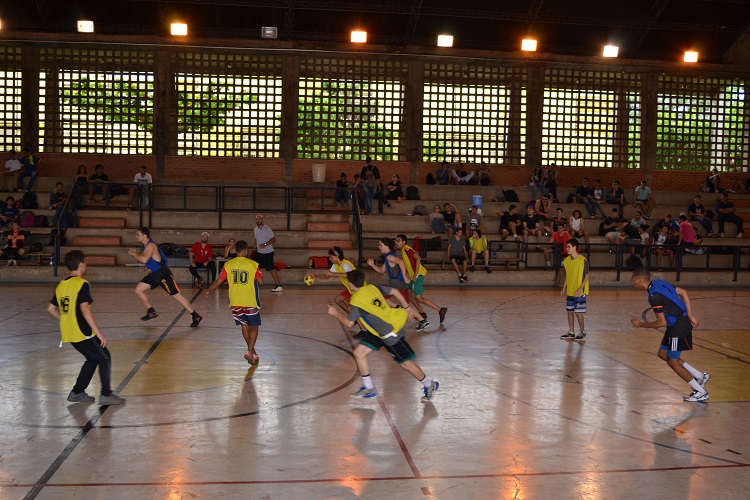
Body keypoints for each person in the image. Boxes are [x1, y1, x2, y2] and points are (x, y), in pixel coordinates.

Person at [326, 269, 439, 402]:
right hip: (378, 331)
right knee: (359, 353)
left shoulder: (356, 300)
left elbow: (349, 324)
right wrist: (407, 307)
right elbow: (395, 291)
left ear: (350, 284)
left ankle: (429, 384)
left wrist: (335, 313)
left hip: (390, 333)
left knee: (406, 364)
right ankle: (369, 388)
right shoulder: (372, 287)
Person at [47, 250, 126, 405]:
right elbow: (84, 310)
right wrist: (99, 333)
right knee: (105, 357)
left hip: (69, 332)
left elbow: (51, 308)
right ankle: (106, 395)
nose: (86, 265)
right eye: (85, 262)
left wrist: (65, 320)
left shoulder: (61, 285)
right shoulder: (82, 284)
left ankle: (77, 392)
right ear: (81, 264)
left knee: (93, 358)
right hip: (82, 332)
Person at [630, 268, 710, 402]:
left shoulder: (653, 296)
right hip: (676, 324)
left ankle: (700, 391)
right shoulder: (658, 283)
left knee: (673, 362)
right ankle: (700, 376)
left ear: (639, 280)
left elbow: (661, 322)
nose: (633, 283)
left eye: (633, 280)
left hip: (678, 327)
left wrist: (641, 324)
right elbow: (683, 292)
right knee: (663, 354)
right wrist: (689, 315)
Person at [127, 227, 203, 327]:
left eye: (138, 234)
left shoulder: (151, 245)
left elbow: (144, 259)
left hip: (163, 274)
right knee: (139, 289)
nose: (136, 236)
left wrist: (134, 253)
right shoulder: (144, 245)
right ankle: (151, 311)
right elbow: (150, 261)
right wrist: (149, 267)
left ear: (144, 236)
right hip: (154, 274)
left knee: (177, 296)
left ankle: (195, 315)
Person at [205, 240, 264, 364]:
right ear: (246, 251)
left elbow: (218, 281)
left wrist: (209, 290)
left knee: (244, 326)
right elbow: (261, 282)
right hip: (250, 300)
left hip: (235, 301)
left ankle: (252, 352)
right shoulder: (253, 264)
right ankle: (249, 351)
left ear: (235, 251)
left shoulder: (228, 265)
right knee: (254, 327)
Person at [395, 234, 448, 330]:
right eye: (396, 240)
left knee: (419, 298)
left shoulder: (406, 248)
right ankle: (421, 312)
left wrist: (415, 274)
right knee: (409, 294)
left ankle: (440, 310)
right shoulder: (403, 251)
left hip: (418, 275)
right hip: (413, 277)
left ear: (404, 242)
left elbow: (418, 258)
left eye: (398, 240)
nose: (396, 242)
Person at [559, 238, 589, 340]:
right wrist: (564, 288)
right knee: (570, 311)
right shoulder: (566, 261)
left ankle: (582, 331)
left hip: (580, 291)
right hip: (570, 291)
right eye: (566, 247)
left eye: (569, 247)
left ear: (575, 248)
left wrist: (580, 289)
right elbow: (568, 275)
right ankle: (571, 332)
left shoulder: (583, 260)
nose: (566, 249)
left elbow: (586, 276)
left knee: (578, 312)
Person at [367, 237, 411, 304]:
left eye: (381, 245)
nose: (379, 247)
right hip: (401, 284)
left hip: (396, 283)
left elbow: (401, 262)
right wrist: (372, 265)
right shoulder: (388, 257)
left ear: (387, 246)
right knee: (406, 306)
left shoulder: (389, 257)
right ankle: (420, 313)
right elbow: (381, 271)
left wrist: (405, 277)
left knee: (377, 296)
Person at [253, 214, 283, 291]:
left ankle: (278, 285)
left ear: (262, 220)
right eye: (257, 219)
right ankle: (253, 283)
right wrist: (254, 246)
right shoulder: (255, 229)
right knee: (253, 266)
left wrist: (265, 244)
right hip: (259, 252)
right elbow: (257, 239)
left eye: (259, 219)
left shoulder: (267, 229)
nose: (258, 220)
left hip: (268, 252)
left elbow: (273, 239)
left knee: (271, 268)